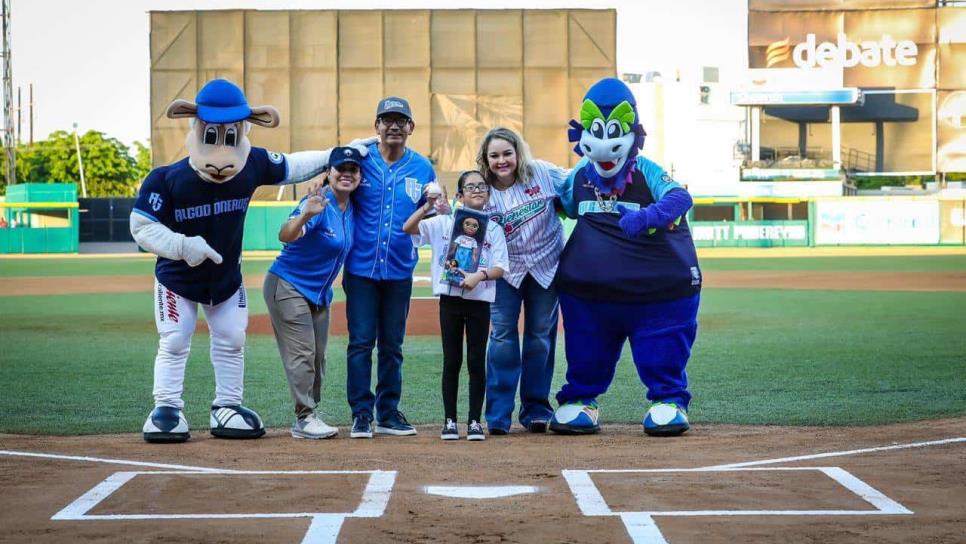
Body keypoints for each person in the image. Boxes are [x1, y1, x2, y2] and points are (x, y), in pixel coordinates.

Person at [129, 79, 360, 443]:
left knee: (233, 339)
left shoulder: (251, 163)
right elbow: (141, 227)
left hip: (226, 279)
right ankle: (167, 406)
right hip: (177, 279)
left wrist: (339, 152)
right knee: (174, 340)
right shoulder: (167, 179)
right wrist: (182, 245)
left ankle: (227, 406)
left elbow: (295, 165)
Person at [550, 77, 700, 436]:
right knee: (586, 351)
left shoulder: (647, 170)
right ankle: (582, 399)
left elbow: (680, 198)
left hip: (656, 293)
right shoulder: (579, 177)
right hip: (590, 295)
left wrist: (647, 217)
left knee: (661, 346)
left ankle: (668, 399)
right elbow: (563, 205)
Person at [344, 96, 438, 438]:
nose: (394, 125)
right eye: (387, 119)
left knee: (392, 346)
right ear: (377, 126)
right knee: (360, 343)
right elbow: (338, 189)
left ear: (411, 127)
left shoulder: (422, 168)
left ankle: (387, 412)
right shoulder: (362, 162)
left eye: (401, 120)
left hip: (399, 270)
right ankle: (360, 413)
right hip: (361, 271)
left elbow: (431, 212)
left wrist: (439, 209)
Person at [263, 147, 363, 440]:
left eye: (353, 169)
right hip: (288, 284)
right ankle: (304, 418)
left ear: (359, 176)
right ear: (329, 173)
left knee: (318, 359)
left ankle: (310, 414)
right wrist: (306, 213)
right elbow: (285, 235)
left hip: (319, 295)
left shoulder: (354, 208)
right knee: (303, 354)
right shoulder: (318, 203)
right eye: (340, 169)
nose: (346, 174)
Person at [477, 127, 569, 435]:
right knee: (502, 336)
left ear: (518, 153)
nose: (501, 161)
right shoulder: (482, 190)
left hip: (545, 263)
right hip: (504, 270)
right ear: (485, 159)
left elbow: (574, 185)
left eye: (507, 153)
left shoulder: (542, 173)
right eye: (494, 156)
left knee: (540, 336)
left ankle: (536, 409)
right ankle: (499, 416)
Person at [404, 171, 509, 440]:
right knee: (452, 361)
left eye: (482, 187)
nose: (477, 190)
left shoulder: (493, 228)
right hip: (450, 301)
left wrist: (479, 276)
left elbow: (500, 267)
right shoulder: (443, 223)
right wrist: (427, 206)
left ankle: (475, 421)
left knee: (476, 361)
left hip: (480, 301)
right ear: (460, 196)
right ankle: (450, 420)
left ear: (488, 194)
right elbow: (409, 228)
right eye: (470, 187)